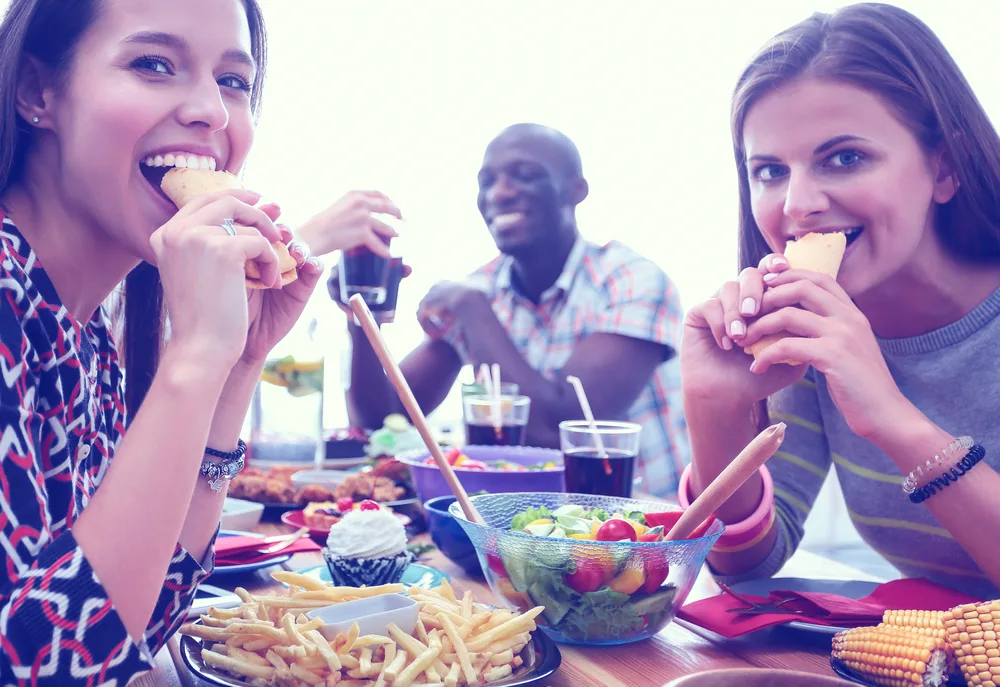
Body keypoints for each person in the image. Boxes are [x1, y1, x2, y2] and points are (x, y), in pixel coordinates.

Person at [0, 0, 394, 683]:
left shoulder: (86, 334)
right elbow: (43, 666)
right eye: (153, 63)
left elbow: (151, 610)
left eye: (234, 80)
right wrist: (192, 357)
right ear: (39, 91)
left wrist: (237, 365)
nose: (212, 110)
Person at [681, 2, 1000, 598]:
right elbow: (746, 568)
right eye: (770, 171)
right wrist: (713, 411)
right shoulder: (810, 325)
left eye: (845, 158)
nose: (797, 204)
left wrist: (892, 418)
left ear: (945, 167)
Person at [341, 123, 689, 496]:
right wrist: (363, 319)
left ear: (576, 190)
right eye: (486, 182)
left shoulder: (632, 280)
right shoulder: (481, 289)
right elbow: (385, 420)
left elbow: (558, 431)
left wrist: (473, 308)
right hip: (519, 533)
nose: (499, 193)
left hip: (642, 536)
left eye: (525, 176)